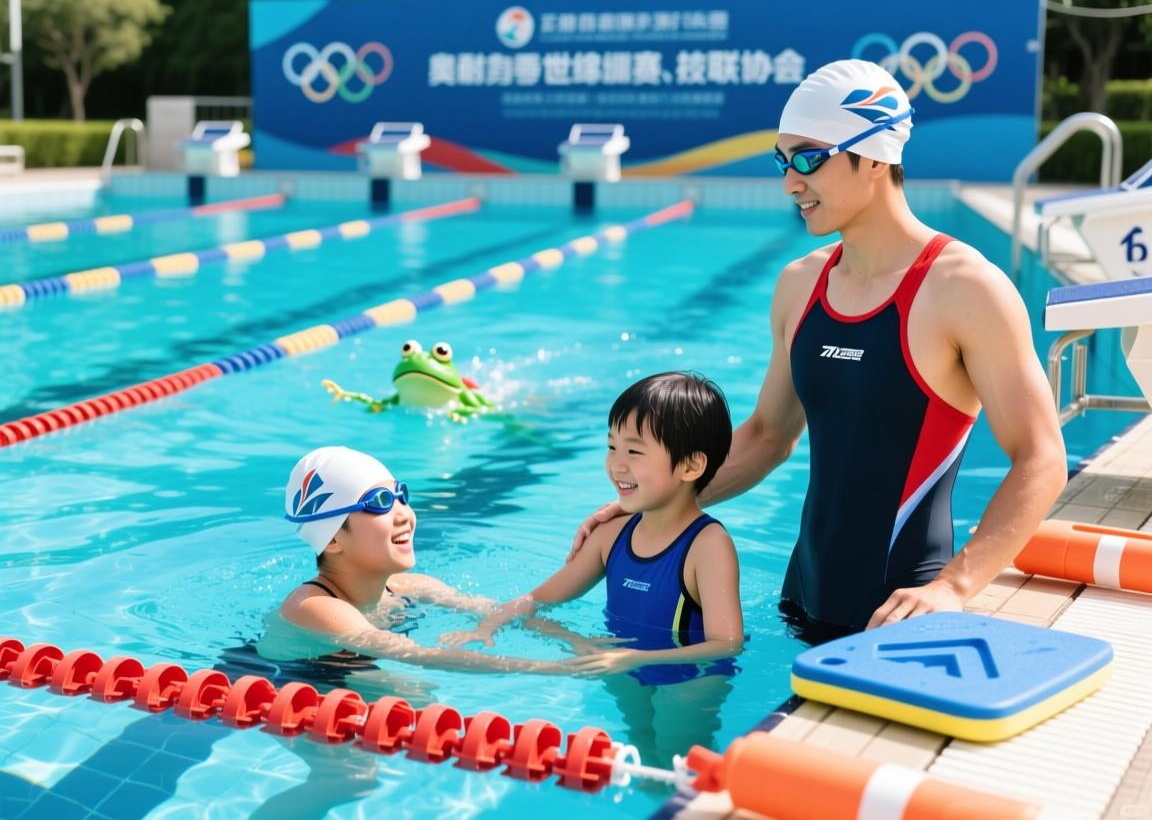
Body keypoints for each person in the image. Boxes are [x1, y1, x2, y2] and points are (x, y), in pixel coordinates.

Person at [571, 59, 1067, 641]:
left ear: (876, 157)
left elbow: (1041, 457)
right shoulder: (800, 284)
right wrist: (650, 502)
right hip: (802, 594)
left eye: (809, 158)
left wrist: (954, 587)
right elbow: (767, 436)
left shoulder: (964, 289)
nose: (790, 182)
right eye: (784, 161)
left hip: (900, 610)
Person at [442, 371, 743, 681]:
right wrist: (488, 626)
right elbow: (537, 601)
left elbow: (726, 644)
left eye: (635, 451)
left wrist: (634, 658)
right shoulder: (611, 536)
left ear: (690, 466)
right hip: (616, 666)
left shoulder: (707, 546)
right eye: (612, 447)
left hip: (690, 679)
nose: (617, 465)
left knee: (676, 731)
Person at [257, 444, 569, 675]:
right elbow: (422, 655)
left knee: (412, 696)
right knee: (413, 694)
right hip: (288, 684)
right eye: (380, 503)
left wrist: (576, 643)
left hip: (349, 671)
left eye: (400, 496)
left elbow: (499, 611)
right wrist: (552, 667)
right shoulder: (316, 606)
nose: (404, 514)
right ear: (333, 538)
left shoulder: (409, 586)